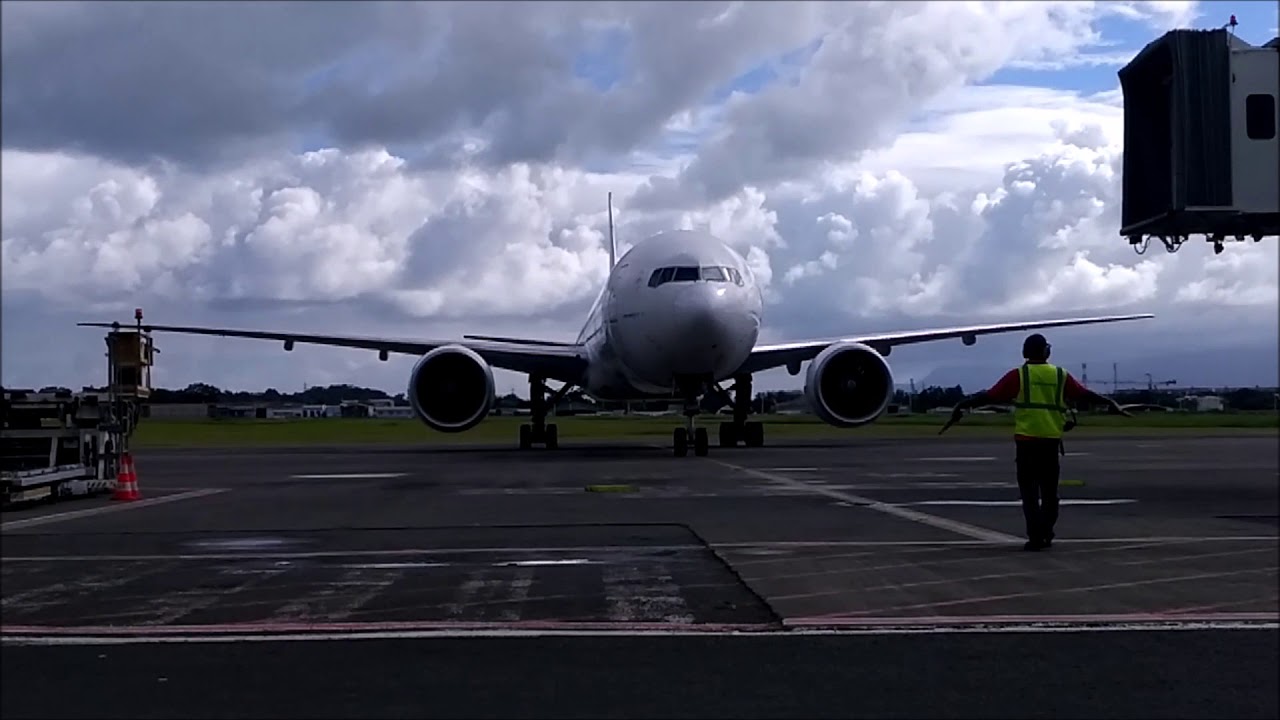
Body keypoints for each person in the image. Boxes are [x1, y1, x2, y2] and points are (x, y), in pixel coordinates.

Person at [947, 333, 1130, 551]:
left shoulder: (1019, 375)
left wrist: (963, 405)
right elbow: (1084, 394)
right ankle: (1047, 531)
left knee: (1030, 493)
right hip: (1050, 441)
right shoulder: (1060, 375)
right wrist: (1109, 403)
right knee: (1050, 493)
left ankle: (1035, 537)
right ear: (1046, 351)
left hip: (1027, 442)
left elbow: (991, 395)